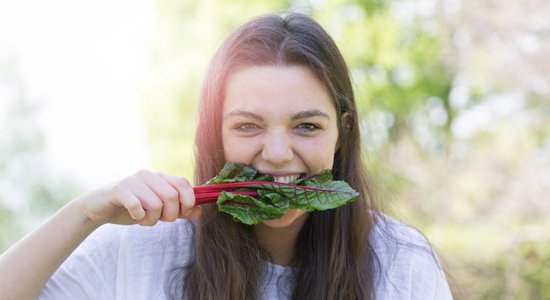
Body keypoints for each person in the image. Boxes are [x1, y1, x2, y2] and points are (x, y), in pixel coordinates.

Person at [0, 12, 453, 299]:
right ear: (215, 136)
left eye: (307, 126)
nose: (277, 154)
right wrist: (85, 213)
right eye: (247, 126)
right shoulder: (141, 245)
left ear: (343, 131)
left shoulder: (400, 262)